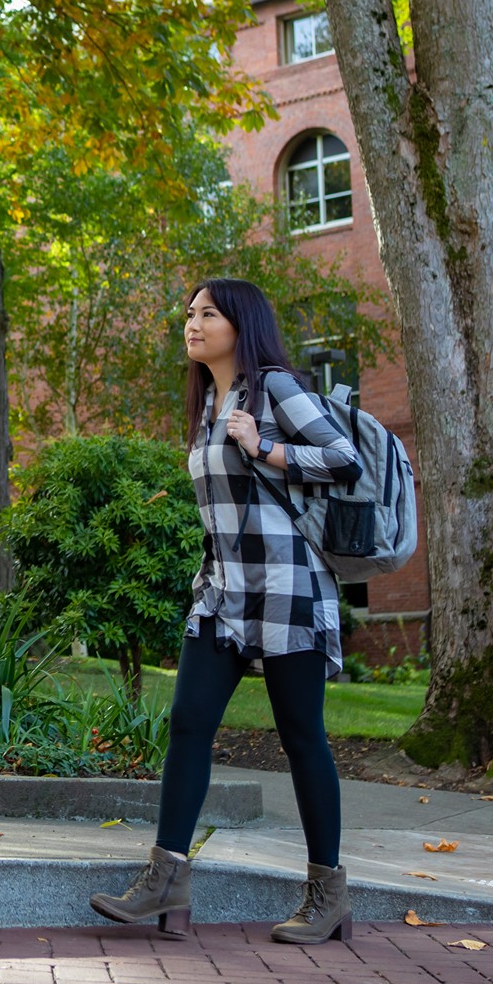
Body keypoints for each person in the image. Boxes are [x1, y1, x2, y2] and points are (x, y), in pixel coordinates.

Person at [90, 278, 363, 944]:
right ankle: (166, 880)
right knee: (187, 723)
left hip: (287, 589)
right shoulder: (209, 402)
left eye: (207, 312)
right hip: (222, 591)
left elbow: (343, 456)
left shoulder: (273, 388)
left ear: (242, 322)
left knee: (301, 738)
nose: (192, 322)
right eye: (188, 312)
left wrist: (266, 446)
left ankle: (328, 893)